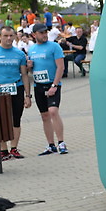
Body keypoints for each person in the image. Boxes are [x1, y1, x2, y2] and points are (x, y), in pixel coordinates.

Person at [0, 26, 31, 160]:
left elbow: (24, 75)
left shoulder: (19, 54)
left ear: (15, 36)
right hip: (0, 90)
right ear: (0, 36)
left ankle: (14, 148)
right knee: (0, 120)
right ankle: (3, 150)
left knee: (16, 119)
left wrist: (28, 95)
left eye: (11, 36)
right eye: (5, 36)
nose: (8, 38)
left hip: (17, 88)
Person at [27, 24, 68, 155]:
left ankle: (61, 142)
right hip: (38, 86)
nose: (44, 35)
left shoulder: (54, 46)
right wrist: (29, 67)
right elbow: (32, 70)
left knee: (53, 111)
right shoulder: (31, 49)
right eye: (41, 33)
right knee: (45, 116)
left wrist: (54, 85)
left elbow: (60, 67)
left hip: (52, 84)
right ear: (34, 35)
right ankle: (51, 145)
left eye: (45, 32)